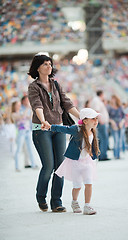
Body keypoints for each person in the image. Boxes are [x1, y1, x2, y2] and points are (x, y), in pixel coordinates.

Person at [28, 53, 79, 213]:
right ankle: (40, 196)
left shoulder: (56, 85)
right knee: (49, 166)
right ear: (38, 68)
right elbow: (37, 105)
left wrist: (82, 117)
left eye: (50, 64)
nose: (49, 66)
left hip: (58, 128)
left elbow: (67, 103)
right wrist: (43, 121)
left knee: (60, 166)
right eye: (45, 64)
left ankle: (56, 201)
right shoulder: (33, 87)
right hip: (41, 130)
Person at [42, 108, 100, 215]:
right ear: (85, 121)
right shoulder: (77, 129)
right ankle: (74, 202)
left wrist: (94, 155)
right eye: (93, 118)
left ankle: (87, 206)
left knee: (89, 183)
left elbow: (93, 145)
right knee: (77, 186)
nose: (96, 121)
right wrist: (50, 127)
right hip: (75, 163)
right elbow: (64, 129)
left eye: (96, 118)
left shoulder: (93, 131)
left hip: (87, 163)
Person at [11, 98, 37, 171]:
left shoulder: (22, 111)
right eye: (17, 105)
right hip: (21, 132)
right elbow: (22, 117)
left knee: (30, 149)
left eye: (19, 105)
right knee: (18, 149)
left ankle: (33, 164)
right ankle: (17, 167)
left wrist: (31, 109)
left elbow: (29, 118)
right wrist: (27, 108)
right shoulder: (14, 114)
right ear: (14, 106)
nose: (19, 106)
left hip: (28, 131)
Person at [90, 90, 110, 161]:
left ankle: (102, 154)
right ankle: (102, 155)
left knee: (102, 138)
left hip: (101, 122)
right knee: (103, 138)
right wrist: (100, 120)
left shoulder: (97, 100)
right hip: (101, 122)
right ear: (101, 94)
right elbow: (97, 110)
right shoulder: (96, 100)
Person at [108, 95, 125, 159]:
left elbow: (124, 116)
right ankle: (116, 155)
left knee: (120, 140)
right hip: (113, 125)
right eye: (112, 98)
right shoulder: (109, 107)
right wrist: (112, 122)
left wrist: (122, 122)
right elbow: (108, 117)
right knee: (116, 140)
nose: (113, 100)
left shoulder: (120, 107)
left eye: (114, 98)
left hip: (120, 125)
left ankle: (118, 154)